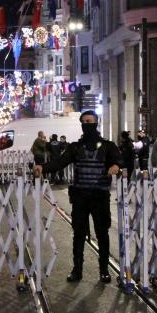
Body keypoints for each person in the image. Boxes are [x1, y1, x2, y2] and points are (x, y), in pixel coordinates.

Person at [34, 111, 122, 284]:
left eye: (90, 121)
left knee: (102, 234)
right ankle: (77, 270)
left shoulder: (108, 146)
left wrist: (116, 165)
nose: (87, 124)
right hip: (80, 197)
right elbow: (59, 162)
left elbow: (121, 160)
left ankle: (104, 270)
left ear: (97, 122)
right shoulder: (75, 147)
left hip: (100, 197)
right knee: (79, 235)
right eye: (84, 121)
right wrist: (43, 167)